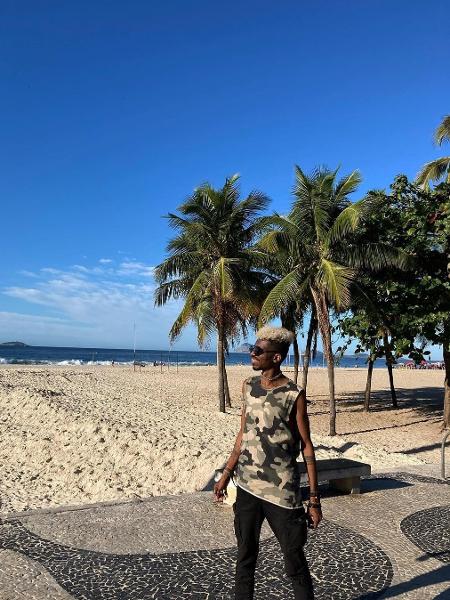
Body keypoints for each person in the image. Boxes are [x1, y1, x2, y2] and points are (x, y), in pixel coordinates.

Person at [214, 326, 322, 600]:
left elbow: (307, 446)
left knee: (294, 562)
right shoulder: (248, 386)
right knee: (245, 558)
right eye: (253, 348)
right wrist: (226, 473)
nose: (253, 353)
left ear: (275, 358)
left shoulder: (293, 394)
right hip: (247, 486)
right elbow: (243, 433)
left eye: (258, 351)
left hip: (281, 492)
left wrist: (314, 499)